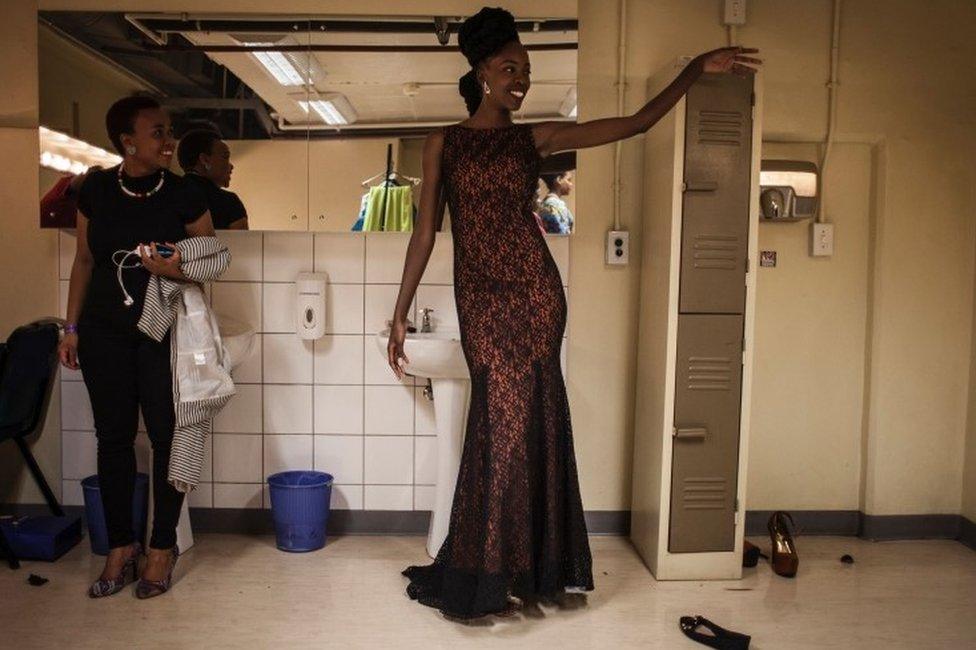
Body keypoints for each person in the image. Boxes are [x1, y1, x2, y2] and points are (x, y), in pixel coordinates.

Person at [386, 6, 760, 620]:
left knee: (530, 426)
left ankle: (523, 571)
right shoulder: (442, 143)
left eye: (526, 71)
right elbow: (424, 232)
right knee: (499, 432)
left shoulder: (533, 138)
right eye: (510, 68)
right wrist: (400, 312)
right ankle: (496, 567)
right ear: (481, 71)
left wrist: (695, 69)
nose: (521, 80)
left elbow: (638, 124)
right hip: (480, 302)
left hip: (535, 296)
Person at [57, 95, 215, 599]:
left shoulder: (185, 193)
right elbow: (84, 261)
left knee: (169, 438)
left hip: (162, 333)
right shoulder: (97, 189)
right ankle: (121, 547)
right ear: (128, 142)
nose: (168, 141)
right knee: (114, 439)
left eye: (168, 131)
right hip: (103, 332)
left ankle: (162, 546)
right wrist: (71, 328)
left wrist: (176, 269)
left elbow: (208, 257)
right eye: (157, 133)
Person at [176, 129, 248, 230]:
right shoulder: (228, 202)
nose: (231, 166)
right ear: (205, 160)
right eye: (225, 157)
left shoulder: (167, 195)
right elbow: (241, 244)